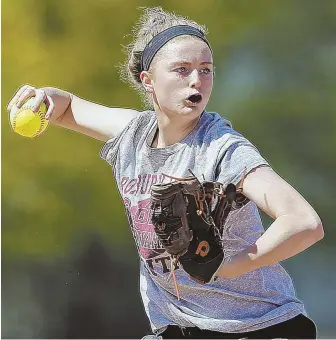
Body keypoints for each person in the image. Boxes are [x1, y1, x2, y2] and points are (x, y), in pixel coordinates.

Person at [8, 6, 323, 339]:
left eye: (206, 69)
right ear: (148, 81)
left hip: (259, 327)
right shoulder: (133, 134)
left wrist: (228, 265)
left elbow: (303, 222)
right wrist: (43, 98)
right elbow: (67, 107)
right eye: (181, 69)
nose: (196, 80)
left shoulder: (222, 149)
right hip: (178, 329)